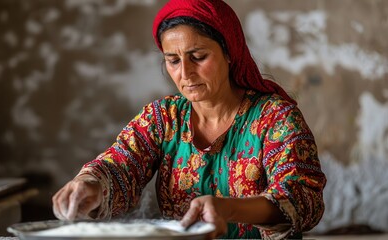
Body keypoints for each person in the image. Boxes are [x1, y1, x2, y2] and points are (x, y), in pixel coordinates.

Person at [52, 0, 326, 239]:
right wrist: (91, 184)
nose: (186, 73)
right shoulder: (162, 119)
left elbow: (303, 199)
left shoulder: (275, 118)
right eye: (172, 60)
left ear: (230, 52)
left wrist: (227, 209)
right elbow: (122, 164)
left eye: (198, 57)